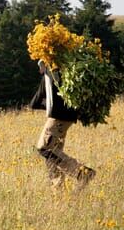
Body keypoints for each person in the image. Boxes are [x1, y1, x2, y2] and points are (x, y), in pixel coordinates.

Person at [29, 60, 96, 191]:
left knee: (45, 149)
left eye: (40, 67)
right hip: (68, 118)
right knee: (54, 155)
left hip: (57, 118)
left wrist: (48, 105)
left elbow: (34, 103)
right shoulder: (65, 72)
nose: (39, 71)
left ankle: (82, 172)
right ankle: (58, 191)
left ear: (44, 65)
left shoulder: (49, 76)